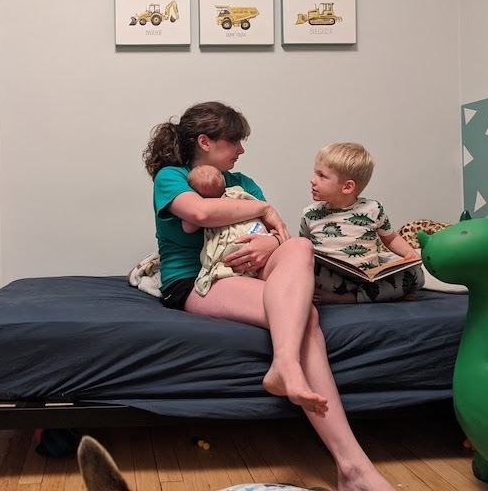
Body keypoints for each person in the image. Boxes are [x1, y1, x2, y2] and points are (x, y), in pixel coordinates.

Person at [143, 101, 396, 491]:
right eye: (234, 141)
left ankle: (285, 366)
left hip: (247, 269)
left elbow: (276, 234)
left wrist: (271, 244)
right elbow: (201, 214)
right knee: (306, 317)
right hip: (196, 279)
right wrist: (264, 208)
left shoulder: (243, 181)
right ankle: (353, 470)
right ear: (205, 142)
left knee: (301, 248)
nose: (241, 150)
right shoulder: (172, 176)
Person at [300, 142, 423, 305]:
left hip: (368, 278)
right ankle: (380, 295)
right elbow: (302, 248)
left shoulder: (373, 209)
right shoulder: (310, 214)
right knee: (306, 269)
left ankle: (350, 298)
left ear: (347, 187)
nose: (312, 180)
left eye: (321, 175)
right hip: (330, 280)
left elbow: (391, 238)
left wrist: (410, 254)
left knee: (417, 274)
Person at [184, 164, 274, 293]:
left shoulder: (202, 208)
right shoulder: (237, 191)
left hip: (231, 248)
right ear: (224, 181)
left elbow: (188, 228)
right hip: (253, 233)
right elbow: (258, 206)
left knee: (218, 256)